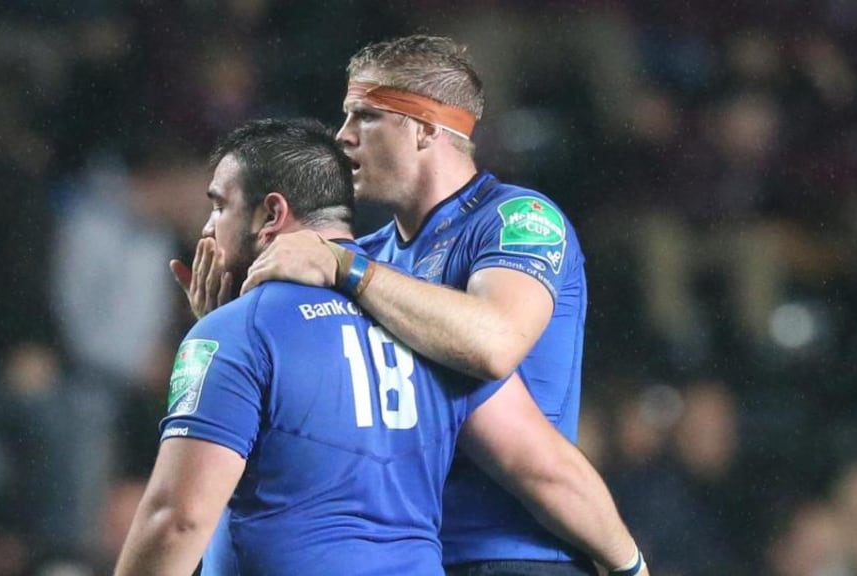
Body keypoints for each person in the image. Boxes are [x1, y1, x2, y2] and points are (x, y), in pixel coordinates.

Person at [121, 118, 646, 576]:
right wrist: (630, 562)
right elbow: (542, 464)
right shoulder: (431, 329)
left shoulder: (237, 335)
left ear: (271, 214)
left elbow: (178, 520)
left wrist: (220, 333)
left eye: (219, 207)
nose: (208, 228)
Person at [224, 36, 616, 575]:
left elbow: (493, 342)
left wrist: (350, 271)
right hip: (409, 555)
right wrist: (227, 327)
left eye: (365, 115)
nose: (342, 136)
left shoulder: (518, 219)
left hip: (515, 554)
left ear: (427, 128)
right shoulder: (372, 254)